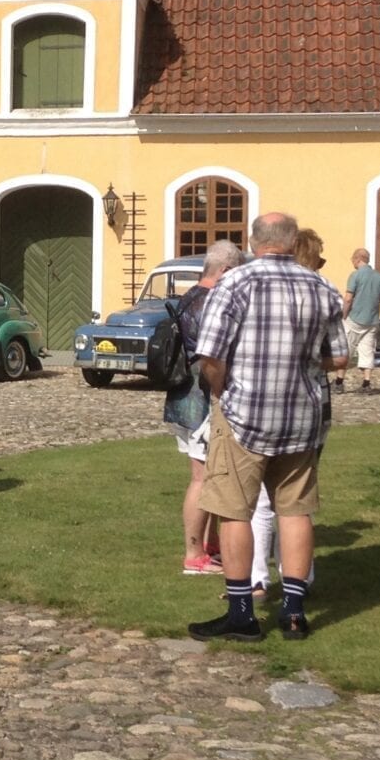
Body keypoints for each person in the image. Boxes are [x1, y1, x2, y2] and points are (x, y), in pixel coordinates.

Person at [189, 212, 347, 642]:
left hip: (245, 412)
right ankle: (294, 611)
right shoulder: (321, 286)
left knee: (233, 509)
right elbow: (340, 358)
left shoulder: (235, 283)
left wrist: (221, 392)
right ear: (293, 241)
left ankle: (242, 612)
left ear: (252, 241)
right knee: (295, 509)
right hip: (302, 414)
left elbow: (211, 355)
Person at [249, 229, 333, 598]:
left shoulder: (256, 285)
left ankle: (255, 580)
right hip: (308, 405)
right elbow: (339, 354)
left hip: (258, 404)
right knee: (296, 500)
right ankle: (298, 580)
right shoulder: (321, 290)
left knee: (260, 502)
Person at [166, 241, 245, 575]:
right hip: (199, 400)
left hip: (186, 397)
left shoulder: (189, 297)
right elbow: (211, 357)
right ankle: (194, 555)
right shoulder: (208, 302)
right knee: (202, 477)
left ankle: (210, 546)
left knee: (208, 476)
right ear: (225, 270)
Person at [340, 247, 380, 393]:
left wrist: (343, 315)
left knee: (346, 349)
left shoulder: (355, 275)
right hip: (372, 319)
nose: (352, 262)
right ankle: (366, 383)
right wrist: (372, 299)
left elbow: (348, 299)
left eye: (353, 260)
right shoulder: (379, 276)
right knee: (367, 351)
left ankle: (338, 382)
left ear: (357, 259)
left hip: (355, 318)